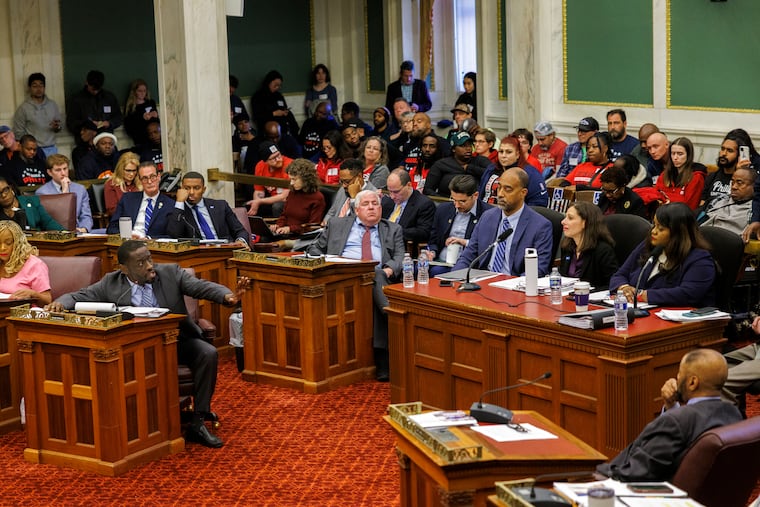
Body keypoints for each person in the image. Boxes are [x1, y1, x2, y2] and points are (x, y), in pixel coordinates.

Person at [45, 240, 250, 448]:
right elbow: (79, 296)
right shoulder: (111, 283)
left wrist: (228, 296)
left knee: (208, 353)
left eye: (149, 259)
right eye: (141, 263)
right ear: (123, 268)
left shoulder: (170, 273)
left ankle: (198, 421)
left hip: (176, 342)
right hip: (135, 349)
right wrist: (61, 303)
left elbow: (201, 287)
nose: (149, 265)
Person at [596, 349, 742, 482]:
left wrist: (597, 473)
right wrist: (671, 406)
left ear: (692, 382)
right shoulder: (734, 414)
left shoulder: (675, 422)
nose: (676, 380)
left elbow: (635, 473)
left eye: (680, 375)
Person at [306, 190, 405, 381]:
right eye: (366, 204)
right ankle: (389, 317)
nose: (371, 208)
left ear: (381, 208)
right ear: (356, 209)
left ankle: (381, 352)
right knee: (376, 290)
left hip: (379, 276)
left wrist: (389, 270)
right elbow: (314, 250)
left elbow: (399, 257)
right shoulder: (337, 225)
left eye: (375, 204)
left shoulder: (393, 229)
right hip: (342, 278)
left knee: (374, 275)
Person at [610, 202, 715, 307]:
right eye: (654, 225)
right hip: (639, 311)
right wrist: (624, 288)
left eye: (660, 228)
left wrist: (643, 295)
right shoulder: (648, 246)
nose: (653, 231)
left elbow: (688, 294)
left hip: (680, 318)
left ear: (678, 232)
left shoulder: (699, 259)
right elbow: (619, 275)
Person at [453, 167, 554, 277]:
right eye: (499, 187)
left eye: (508, 189)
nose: (500, 194)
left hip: (515, 285)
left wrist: (514, 285)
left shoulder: (540, 226)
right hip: (483, 281)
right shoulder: (487, 217)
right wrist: (454, 278)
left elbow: (538, 269)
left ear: (523, 193)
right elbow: (468, 256)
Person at [427, 174, 492, 274]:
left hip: (470, 265)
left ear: (475, 196)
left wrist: (464, 242)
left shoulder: (488, 214)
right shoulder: (443, 209)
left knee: (437, 272)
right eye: (453, 199)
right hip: (441, 261)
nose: (457, 205)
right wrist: (432, 252)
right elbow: (433, 239)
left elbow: (487, 246)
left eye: (462, 201)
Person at [166, 171, 250, 248]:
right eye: (187, 188)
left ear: (203, 189)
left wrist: (240, 241)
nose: (191, 192)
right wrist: (179, 202)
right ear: (181, 189)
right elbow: (174, 235)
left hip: (225, 250)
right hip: (200, 255)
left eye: (196, 188)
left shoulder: (221, 206)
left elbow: (240, 231)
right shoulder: (178, 211)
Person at [558, 202, 618, 289]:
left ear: (585, 223)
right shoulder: (567, 246)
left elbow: (611, 285)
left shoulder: (603, 251)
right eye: (565, 217)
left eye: (570, 218)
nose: (563, 222)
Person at [107, 162, 174, 238]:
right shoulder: (127, 199)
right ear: (140, 180)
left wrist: (149, 239)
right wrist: (128, 235)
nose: (149, 182)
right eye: (145, 178)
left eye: (152, 177)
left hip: (152, 246)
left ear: (159, 177)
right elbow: (111, 228)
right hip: (128, 243)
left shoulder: (170, 205)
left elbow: (171, 236)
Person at [479, 135, 548, 208]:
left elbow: (539, 203)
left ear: (518, 154)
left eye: (509, 152)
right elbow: (480, 194)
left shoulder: (529, 173)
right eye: (501, 151)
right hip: (485, 214)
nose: (503, 156)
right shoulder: (491, 169)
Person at [35, 154, 93, 233]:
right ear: (49, 172)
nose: (63, 173)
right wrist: (65, 192)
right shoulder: (42, 193)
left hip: (80, 231)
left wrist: (84, 229)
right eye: (58, 170)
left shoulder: (80, 189)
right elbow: (53, 219)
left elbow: (86, 215)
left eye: (65, 169)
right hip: (57, 233)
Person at [424, 131, 490, 199]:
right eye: (463, 146)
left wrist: (470, 168)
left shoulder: (480, 161)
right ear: (453, 149)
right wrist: (444, 201)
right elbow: (428, 190)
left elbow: (493, 174)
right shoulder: (441, 164)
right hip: (446, 203)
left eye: (469, 145)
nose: (468, 148)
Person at [0, 220, 52, 305]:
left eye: (8, 243)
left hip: (22, 315)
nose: (2, 248)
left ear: (18, 243)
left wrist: (33, 294)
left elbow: (47, 300)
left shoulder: (35, 265)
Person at [270, 159, 326, 236]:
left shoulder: (317, 198)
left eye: (294, 179)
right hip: (285, 232)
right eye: (290, 179)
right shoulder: (293, 192)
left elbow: (313, 227)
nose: (291, 183)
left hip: (300, 237)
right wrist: (278, 225)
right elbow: (285, 215)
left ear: (306, 179)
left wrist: (290, 228)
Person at [65, 70, 122, 144]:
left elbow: (119, 117)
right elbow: (71, 123)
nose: (95, 92)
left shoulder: (109, 97)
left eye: (97, 89)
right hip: (86, 143)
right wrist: (88, 124)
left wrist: (109, 123)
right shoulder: (76, 99)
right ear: (87, 83)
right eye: (93, 89)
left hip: (106, 141)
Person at [12, 72, 62, 157]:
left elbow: (59, 126)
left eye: (41, 85)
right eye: (35, 86)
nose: (38, 89)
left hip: (51, 149)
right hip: (33, 151)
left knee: (52, 170)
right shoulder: (23, 108)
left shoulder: (52, 105)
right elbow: (18, 133)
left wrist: (57, 127)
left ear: (44, 87)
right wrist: (28, 148)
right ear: (29, 88)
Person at [382, 168, 435, 245]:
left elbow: (423, 232)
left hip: (402, 247)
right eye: (390, 191)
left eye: (396, 192)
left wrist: (393, 232)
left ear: (409, 185)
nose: (392, 196)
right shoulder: (387, 201)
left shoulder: (424, 204)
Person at [699, 166, 754, 236]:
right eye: (732, 182)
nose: (734, 187)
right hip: (702, 237)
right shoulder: (716, 201)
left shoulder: (755, 211)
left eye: (739, 183)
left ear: (754, 186)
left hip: (729, 242)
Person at [322, 158, 377, 225]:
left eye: (347, 181)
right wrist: (325, 224)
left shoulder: (372, 195)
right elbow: (332, 212)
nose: (344, 185)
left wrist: (354, 199)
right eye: (341, 181)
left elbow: (360, 223)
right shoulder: (343, 189)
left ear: (359, 176)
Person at [655, 137, 705, 210]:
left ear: (688, 155)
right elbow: (656, 196)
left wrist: (666, 199)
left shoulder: (696, 177)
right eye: (673, 153)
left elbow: (689, 207)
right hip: (661, 215)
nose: (675, 158)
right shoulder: (665, 174)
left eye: (680, 154)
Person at [247, 141, 293, 217]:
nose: (278, 159)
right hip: (273, 198)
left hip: (290, 199)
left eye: (278, 155)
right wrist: (256, 203)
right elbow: (259, 191)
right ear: (266, 161)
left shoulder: (289, 165)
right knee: (249, 206)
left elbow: (285, 196)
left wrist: (259, 201)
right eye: (273, 158)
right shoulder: (260, 166)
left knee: (277, 207)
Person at [250, 70, 298, 135]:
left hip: (284, 130)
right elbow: (257, 117)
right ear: (268, 82)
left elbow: (284, 108)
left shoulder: (279, 96)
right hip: (268, 132)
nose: (277, 87)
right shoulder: (257, 97)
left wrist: (285, 112)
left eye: (279, 85)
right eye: (275, 85)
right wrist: (274, 113)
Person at [123, 79, 159, 146]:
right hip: (141, 139)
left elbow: (156, 122)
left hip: (155, 137)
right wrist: (142, 118)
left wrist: (155, 115)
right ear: (134, 92)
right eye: (140, 91)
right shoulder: (130, 107)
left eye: (144, 91)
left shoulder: (150, 102)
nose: (142, 93)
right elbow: (129, 127)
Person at [105, 152, 142, 216]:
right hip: (122, 220)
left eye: (134, 170)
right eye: (128, 170)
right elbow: (112, 210)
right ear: (121, 169)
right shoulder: (111, 184)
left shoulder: (140, 182)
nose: (131, 174)